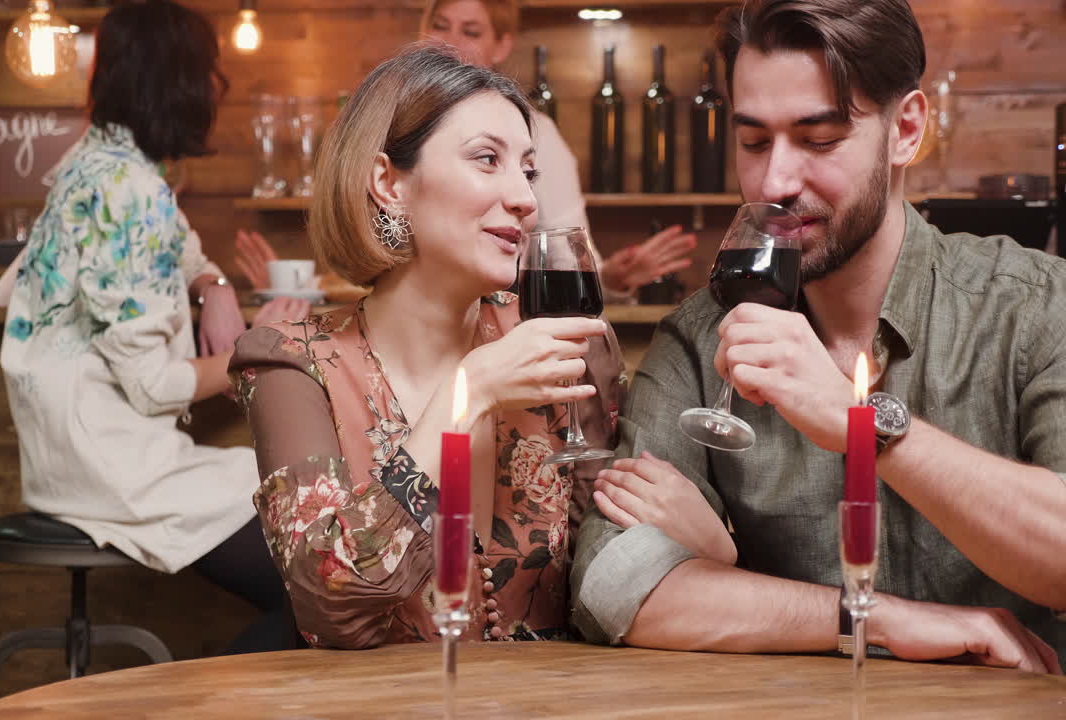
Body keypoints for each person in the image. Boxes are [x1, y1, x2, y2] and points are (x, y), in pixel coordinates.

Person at [572, 0, 1066, 674]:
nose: (775, 181)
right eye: (752, 142)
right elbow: (612, 584)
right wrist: (876, 617)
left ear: (906, 130)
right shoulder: (697, 340)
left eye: (820, 138)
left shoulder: (1037, 305)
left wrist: (866, 425)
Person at [229, 44, 627, 649]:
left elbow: (614, 582)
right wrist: (470, 394)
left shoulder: (568, 346)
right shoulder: (291, 364)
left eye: (528, 169)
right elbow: (329, 606)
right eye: (487, 159)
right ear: (388, 182)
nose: (525, 198)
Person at [0, 0, 305, 654]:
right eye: (209, 73)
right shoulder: (127, 188)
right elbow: (152, 384)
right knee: (320, 586)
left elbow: (179, 246)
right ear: (182, 83)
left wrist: (215, 286)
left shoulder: (109, 164)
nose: (216, 89)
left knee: (315, 560)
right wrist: (258, 348)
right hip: (110, 463)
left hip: (85, 451)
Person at [420, 0, 697, 300]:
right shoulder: (391, 119)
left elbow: (566, 255)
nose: (449, 42)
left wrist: (611, 279)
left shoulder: (535, 133)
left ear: (501, 46)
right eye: (440, 25)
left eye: (471, 31)